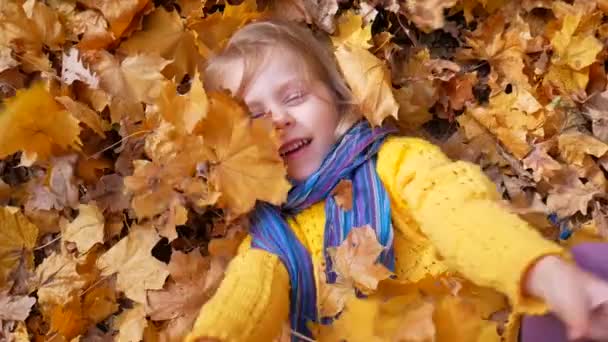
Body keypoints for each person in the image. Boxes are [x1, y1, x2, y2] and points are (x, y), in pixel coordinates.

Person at [185, 19, 608, 342]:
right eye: (254, 116)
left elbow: (459, 214)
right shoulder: (271, 242)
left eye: (294, 96)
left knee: (590, 265)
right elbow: (240, 307)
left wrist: (541, 271)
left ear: (336, 99)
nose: (278, 119)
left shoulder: (394, 162)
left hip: (496, 330)